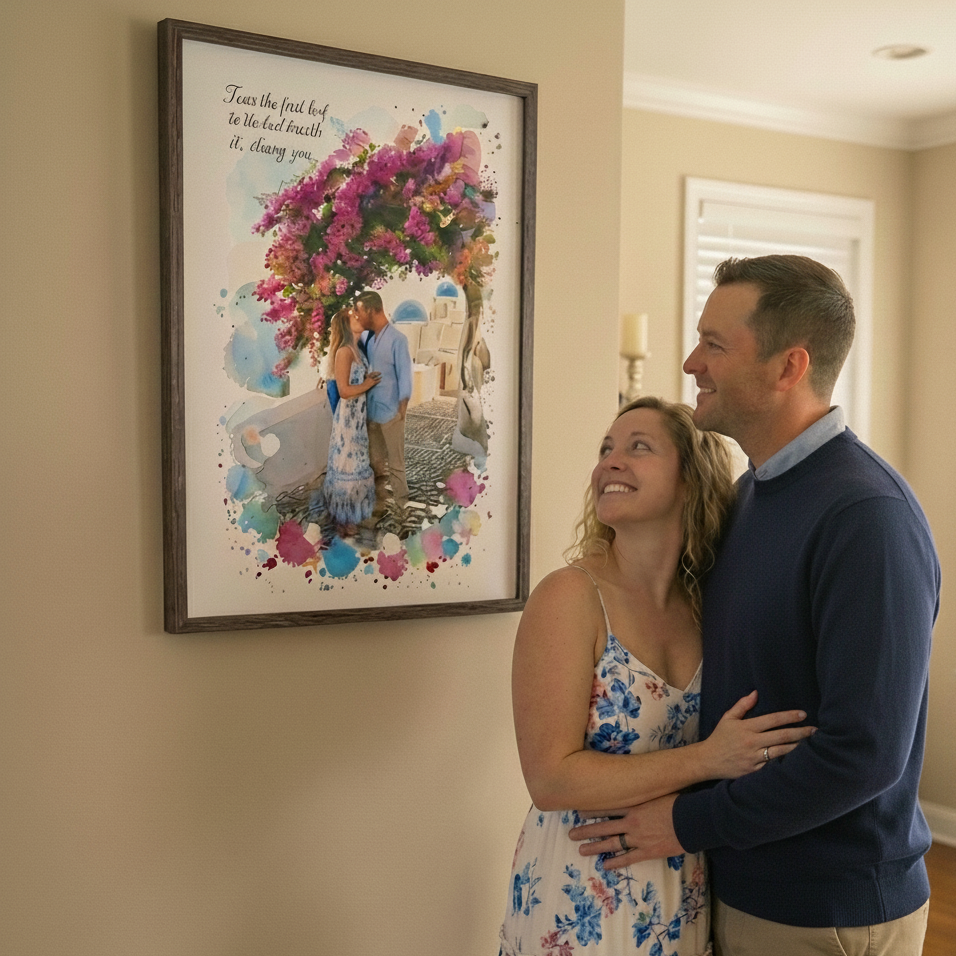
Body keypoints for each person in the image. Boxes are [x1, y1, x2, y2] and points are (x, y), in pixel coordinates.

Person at [570, 256, 940, 956]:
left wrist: (685, 823)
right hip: (740, 888)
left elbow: (863, 756)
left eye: (715, 344)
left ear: (788, 366)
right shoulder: (748, 498)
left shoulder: (867, 516)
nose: (691, 363)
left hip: (824, 911)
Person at [499, 396, 817, 956]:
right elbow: (550, 780)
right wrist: (709, 758)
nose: (610, 462)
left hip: (682, 883)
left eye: (638, 447)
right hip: (581, 889)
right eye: (606, 449)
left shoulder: (708, 607)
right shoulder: (569, 597)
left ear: (691, 481)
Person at [354, 290, 413, 520]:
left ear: (371, 310)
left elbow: (405, 376)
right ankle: (379, 504)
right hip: (372, 411)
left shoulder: (398, 339)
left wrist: (401, 410)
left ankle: (402, 506)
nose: (358, 316)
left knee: (396, 463)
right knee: (375, 464)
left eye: (360, 311)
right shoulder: (368, 339)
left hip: (391, 412)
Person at [322, 307, 380, 536]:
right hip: (347, 420)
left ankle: (351, 516)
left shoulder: (358, 351)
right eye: (354, 316)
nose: (359, 317)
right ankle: (342, 519)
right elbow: (344, 391)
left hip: (359, 418)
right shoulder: (344, 352)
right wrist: (367, 384)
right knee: (347, 465)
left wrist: (367, 380)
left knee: (358, 464)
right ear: (346, 325)